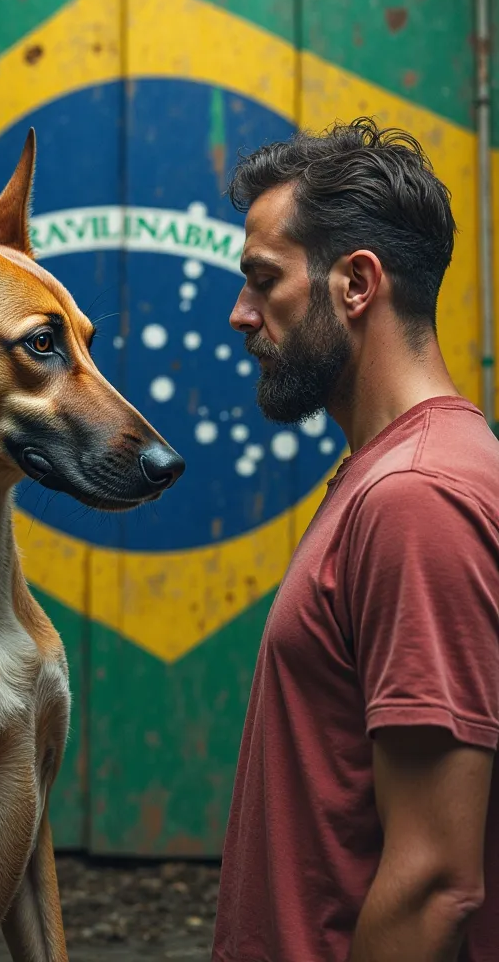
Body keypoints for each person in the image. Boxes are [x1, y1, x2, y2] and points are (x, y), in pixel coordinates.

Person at [212, 118, 499, 962]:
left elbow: (435, 884)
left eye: (264, 280)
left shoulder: (417, 499)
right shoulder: (395, 474)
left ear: (356, 283)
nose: (240, 315)